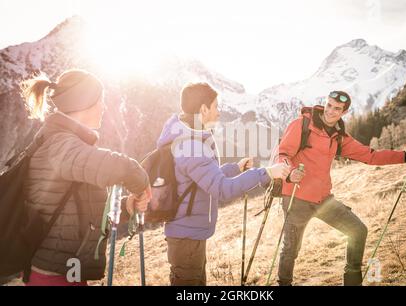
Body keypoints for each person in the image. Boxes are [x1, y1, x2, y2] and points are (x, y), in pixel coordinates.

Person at [276, 90, 406, 286]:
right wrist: (290, 172)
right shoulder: (301, 125)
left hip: (323, 200)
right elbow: (283, 154)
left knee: (358, 230)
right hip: (296, 199)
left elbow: (370, 155)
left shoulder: (339, 137)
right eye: (329, 105)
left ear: (343, 112)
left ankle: (353, 282)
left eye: (337, 108)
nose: (330, 111)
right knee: (290, 250)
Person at [21, 69, 151, 286]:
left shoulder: (67, 144)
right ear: (84, 103)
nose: (104, 107)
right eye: (101, 100)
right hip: (53, 277)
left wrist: (128, 206)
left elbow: (83, 214)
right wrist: (141, 181)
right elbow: (116, 166)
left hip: (66, 271)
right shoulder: (60, 144)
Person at [157, 82, 290, 285]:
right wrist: (266, 173)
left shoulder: (190, 139)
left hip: (188, 235)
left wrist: (235, 168)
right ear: (203, 109)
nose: (219, 112)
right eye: (216, 106)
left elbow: (205, 179)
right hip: (187, 239)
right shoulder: (192, 145)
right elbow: (222, 190)